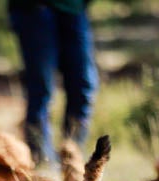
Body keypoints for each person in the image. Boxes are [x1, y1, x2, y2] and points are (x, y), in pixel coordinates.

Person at [8, 0, 98, 166]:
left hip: (73, 8)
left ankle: (72, 159)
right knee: (41, 89)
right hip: (34, 10)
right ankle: (43, 162)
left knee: (84, 86)